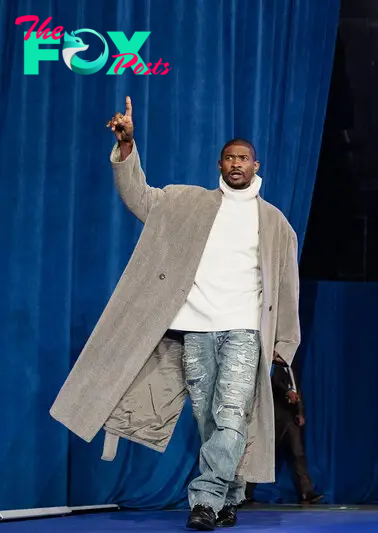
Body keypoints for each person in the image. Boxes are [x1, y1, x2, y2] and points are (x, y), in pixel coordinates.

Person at [49, 97, 301, 531]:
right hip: (196, 329)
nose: (236, 164)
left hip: (242, 329)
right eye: (229, 158)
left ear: (256, 166)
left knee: (231, 415)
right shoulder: (188, 203)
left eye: (243, 158)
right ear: (219, 165)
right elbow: (139, 197)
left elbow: (287, 287)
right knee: (208, 419)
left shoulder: (275, 222)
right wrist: (128, 148)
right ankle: (229, 496)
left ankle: (204, 499)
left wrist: (283, 343)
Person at [245, 356, 323, 504]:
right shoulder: (272, 367)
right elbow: (273, 382)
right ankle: (245, 493)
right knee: (262, 454)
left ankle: (306, 493)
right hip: (275, 418)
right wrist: (287, 392)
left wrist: (300, 413)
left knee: (298, 454)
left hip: (291, 417)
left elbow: (297, 390)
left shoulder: (292, 367)